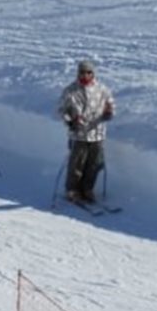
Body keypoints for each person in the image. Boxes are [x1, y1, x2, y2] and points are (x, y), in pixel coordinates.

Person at [57, 59, 114, 204]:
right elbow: (61, 110)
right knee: (77, 164)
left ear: (93, 73)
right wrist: (70, 121)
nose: (85, 75)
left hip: (97, 132)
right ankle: (72, 190)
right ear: (78, 73)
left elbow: (110, 104)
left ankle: (87, 189)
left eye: (89, 72)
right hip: (79, 134)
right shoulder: (70, 91)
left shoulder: (102, 89)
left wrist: (109, 112)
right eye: (82, 72)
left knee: (94, 164)